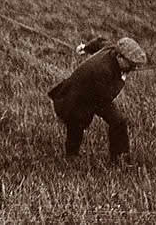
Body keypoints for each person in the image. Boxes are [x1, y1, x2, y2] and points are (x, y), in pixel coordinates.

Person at [48, 36, 147, 165]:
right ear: (119, 57)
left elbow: (100, 41)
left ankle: (120, 158)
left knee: (118, 122)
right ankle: (72, 157)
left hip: (90, 93)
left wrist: (85, 47)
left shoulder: (112, 48)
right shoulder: (102, 71)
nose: (134, 68)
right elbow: (106, 97)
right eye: (131, 64)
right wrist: (122, 78)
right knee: (77, 123)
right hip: (76, 97)